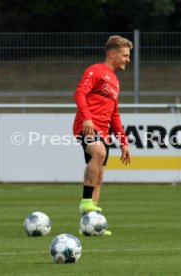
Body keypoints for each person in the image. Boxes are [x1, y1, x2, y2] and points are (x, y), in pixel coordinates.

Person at [73, 35, 133, 235]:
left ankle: (88, 226)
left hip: (104, 132)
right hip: (87, 127)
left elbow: (114, 114)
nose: (128, 59)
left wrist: (123, 142)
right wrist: (87, 118)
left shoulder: (115, 81)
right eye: (125, 55)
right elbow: (79, 93)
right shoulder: (95, 70)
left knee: (99, 177)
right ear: (112, 54)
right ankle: (85, 201)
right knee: (98, 152)